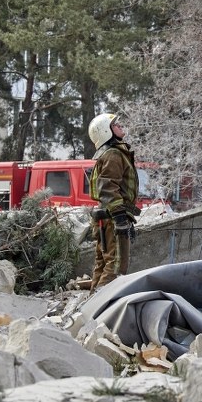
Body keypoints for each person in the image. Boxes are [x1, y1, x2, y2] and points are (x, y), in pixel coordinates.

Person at [87, 112, 140, 291]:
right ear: (106, 132)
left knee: (103, 264)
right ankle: (101, 307)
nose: (120, 126)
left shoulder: (112, 153)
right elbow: (108, 186)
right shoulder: (113, 155)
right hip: (112, 217)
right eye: (115, 125)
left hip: (106, 217)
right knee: (116, 266)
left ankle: (89, 309)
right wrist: (120, 218)